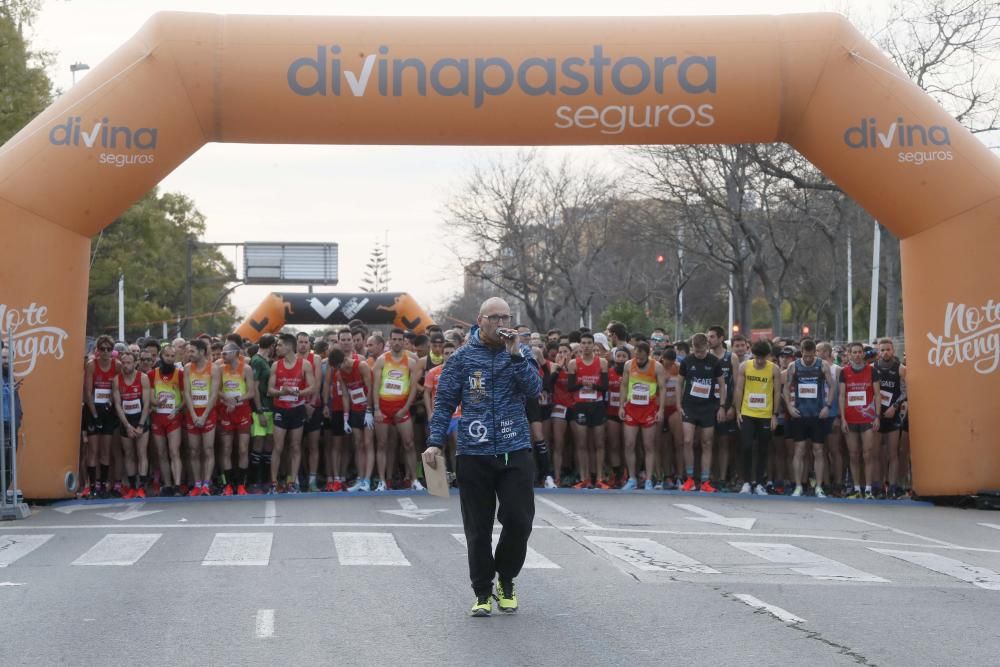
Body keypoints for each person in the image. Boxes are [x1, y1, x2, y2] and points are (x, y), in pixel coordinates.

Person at [422, 297, 542, 617]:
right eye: (495, 318)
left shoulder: (521, 352)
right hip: (473, 452)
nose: (502, 324)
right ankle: (482, 591)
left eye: (507, 318)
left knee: (519, 521)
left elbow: (533, 390)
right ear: (480, 320)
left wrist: (515, 354)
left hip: (514, 448)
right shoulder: (461, 358)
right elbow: (444, 401)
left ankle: (506, 579)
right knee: (478, 528)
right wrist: (435, 442)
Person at [371, 328, 424, 491]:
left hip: (401, 407)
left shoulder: (411, 361)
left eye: (400, 340)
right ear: (390, 340)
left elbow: (414, 388)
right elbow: (375, 386)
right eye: (394, 339)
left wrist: (406, 407)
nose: (397, 342)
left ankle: (415, 480)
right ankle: (382, 481)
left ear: (403, 341)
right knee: (382, 444)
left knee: (409, 443)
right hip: (384, 407)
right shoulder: (381, 360)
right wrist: (377, 409)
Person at [784, 339, 835, 498]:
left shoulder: (822, 365)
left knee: (818, 450)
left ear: (815, 352)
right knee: (799, 450)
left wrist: (827, 405)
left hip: (817, 414)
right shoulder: (794, 366)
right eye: (805, 356)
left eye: (810, 356)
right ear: (801, 352)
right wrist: (790, 407)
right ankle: (798, 486)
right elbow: (785, 388)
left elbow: (832, 385)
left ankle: (819, 487)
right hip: (800, 414)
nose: (808, 359)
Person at [268, 333, 315, 494]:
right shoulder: (276, 365)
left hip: (297, 409)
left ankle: (292, 482)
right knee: (278, 447)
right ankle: (274, 483)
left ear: (288, 346)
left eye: (280, 345)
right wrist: (282, 392)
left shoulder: (305, 364)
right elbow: (270, 390)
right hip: (281, 409)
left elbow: (312, 387)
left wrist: (298, 393)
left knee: (295, 446)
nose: (277, 348)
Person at [733, 339, 781, 495]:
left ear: (768, 356)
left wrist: (774, 414)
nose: (760, 361)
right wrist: (738, 411)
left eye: (763, 358)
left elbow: (777, 393)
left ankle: (760, 482)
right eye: (757, 357)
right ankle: (746, 482)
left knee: (763, 448)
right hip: (747, 412)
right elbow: (739, 389)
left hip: (765, 414)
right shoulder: (744, 366)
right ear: (752, 355)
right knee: (746, 446)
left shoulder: (774, 369)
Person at [619, 342, 667, 490]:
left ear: (647, 354)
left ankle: (648, 480)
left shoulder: (657, 367)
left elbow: (663, 388)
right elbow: (624, 385)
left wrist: (661, 410)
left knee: (649, 445)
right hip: (632, 409)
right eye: (636, 357)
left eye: (641, 358)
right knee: (629, 444)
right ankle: (632, 478)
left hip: (649, 409)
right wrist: (621, 406)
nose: (638, 361)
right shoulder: (628, 365)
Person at [839, 342, 882, 499]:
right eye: (854, 352)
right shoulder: (844, 372)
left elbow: (877, 395)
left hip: (868, 418)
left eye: (859, 352)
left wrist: (877, 416)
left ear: (863, 354)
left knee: (868, 454)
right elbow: (842, 396)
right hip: (850, 418)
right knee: (853, 454)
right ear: (849, 355)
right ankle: (857, 488)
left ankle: (868, 489)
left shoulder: (872, 371)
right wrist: (843, 418)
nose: (857, 355)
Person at [567, 332, 609, 489]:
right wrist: (581, 383)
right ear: (580, 345)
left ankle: (599, 477)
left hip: (597, 404)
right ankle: (584, 478)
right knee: (582, 443)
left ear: (593, 345)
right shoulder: (573, 364)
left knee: (599, 443)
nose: (586, 346)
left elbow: (605, 387)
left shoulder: (602, 362)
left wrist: (591, 385)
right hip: (581, 405)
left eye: (588, 343)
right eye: (583, 343)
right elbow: (570, 387)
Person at [83, 335, 119, 497]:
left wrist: (109, 403)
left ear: (112, 351)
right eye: (102, 349)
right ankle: (91, 486)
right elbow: (87, 392)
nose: (105, 352)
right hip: (93, 410)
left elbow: (116, 389)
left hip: (108, 410)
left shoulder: (116, 365)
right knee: (93, 450)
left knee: (106, 450)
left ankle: (103, 485)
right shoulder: (91, 365)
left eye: (109, 349)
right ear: (97, 350)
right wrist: (95, 414)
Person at [218, 342, 256, 495]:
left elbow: (251, 392)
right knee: (226, 449)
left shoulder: (246, 369)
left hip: (242, 411)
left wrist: (236, 400)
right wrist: (227, 400)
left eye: (225, 353)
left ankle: (241, 484)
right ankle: (227, 484)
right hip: (227, 411)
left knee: (242, 449)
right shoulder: (220, 369)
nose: (222, 356)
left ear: (234, 353)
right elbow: (217, 390)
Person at [184, 339, 220, 496]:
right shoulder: (187, 368)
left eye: (192, 351)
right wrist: (193, 415)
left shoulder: (214, 368)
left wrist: (204, 416)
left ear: (202, 352)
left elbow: (214, 394)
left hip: (208, 412)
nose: (189, 354)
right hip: (192, 412)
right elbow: (186, 393)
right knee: (193, 450)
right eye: (188, 351)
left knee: (208, 449)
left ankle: (206, 483)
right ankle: (197, 483)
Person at [112, 350, 151, 499]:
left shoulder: (143, 378)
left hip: (140, 419)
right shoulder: (117, 380)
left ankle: (141, 487)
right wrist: (127, 426)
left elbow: (147, 404)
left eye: (129, 363)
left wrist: (140, 425)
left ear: (135, 363)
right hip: (126, 421)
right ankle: (133, 486)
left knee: (141, 453)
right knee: (128, 454)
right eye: (124, 363)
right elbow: (117, 405)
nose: (126, 366)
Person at [150, 345, 184, 497]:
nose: (170, 359)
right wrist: (156, 403)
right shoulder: (153, 374)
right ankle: (168, 484)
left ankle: (177, 485)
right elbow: (150, 397)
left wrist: (176, 410)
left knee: (174, 451)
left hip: (173, 417)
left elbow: (185, 398)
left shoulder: (179, 374)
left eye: (172, 356)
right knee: (161, 453)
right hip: (158, 417)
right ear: (161, 356)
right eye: (167, 356)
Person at [875, 338, 907, 498]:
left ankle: (893, 486)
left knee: (893, 453)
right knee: (878, 453)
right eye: (882, 350)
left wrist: (895, 407)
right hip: (878, 416)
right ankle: (880, 485)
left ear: (893, 351)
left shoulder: (900, 369)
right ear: (878, 352)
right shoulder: (873, 368)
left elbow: (905, 391)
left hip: (892, 415)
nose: (885, 352)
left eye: (888, 349)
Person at [249, 334, 275, 489]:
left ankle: (265, 479)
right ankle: (253, 480)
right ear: (271, 346)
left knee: (268, 443)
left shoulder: (266, 361)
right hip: (261, 408)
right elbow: (255, 387)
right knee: (258, 442)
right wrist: (259, 411)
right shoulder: (257, 360)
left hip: (271, 407)